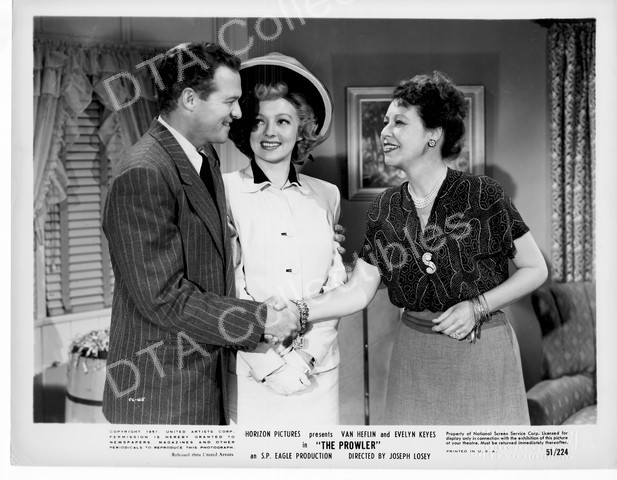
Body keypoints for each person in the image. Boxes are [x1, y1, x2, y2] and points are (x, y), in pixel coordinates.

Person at [293, 71, 548, 425]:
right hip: (414, 356)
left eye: (399, 122)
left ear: (433, 134)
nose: (384, 132)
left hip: (482, 350)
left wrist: (478, 306)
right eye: (385, 122)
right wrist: (299, 311)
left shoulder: (483, 195)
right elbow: (359, 289)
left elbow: (536, 269)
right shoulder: (385, 208)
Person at [101, 42, 301, 425]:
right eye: (229, 101)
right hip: (161, 395)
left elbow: (214, 251)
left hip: (202, 380)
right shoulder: (143, 172)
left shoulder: (204, 156)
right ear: (190, 99)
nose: (238, 113)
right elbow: (163, 298)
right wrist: (261, 319)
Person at [223, 53, 347, 425]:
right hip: (253, 375)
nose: (269, 133)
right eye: (258, 121)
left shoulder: (327, 195)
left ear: (301, 128)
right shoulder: (223, 192)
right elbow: (227, 284)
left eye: (282, 121)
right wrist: (269, 366)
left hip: (318, 373)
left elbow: (335, 284)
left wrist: (307, 356)